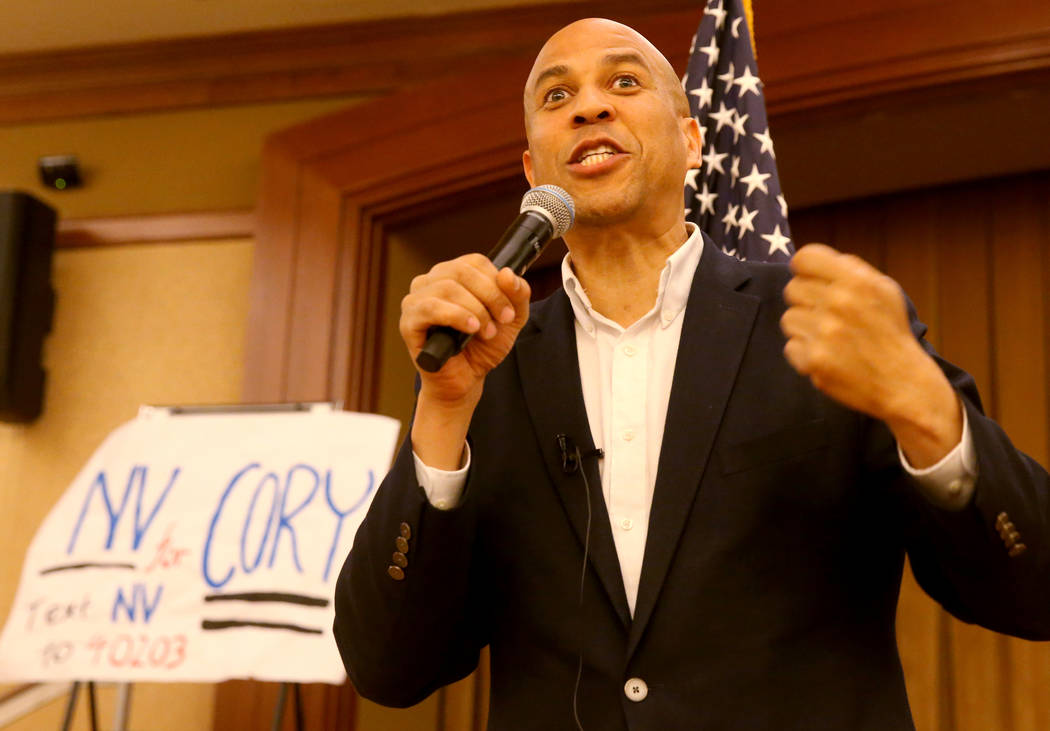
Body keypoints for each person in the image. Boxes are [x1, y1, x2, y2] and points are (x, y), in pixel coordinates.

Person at [333, 18, 1049, 730]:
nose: (588, 106)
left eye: (623, 81)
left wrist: (923, 408)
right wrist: (441, 408)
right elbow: (388, 668)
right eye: (557, 97)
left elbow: (1032, 591)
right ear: (532, 173)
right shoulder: (486, 366)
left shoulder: (820, 325)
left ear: (693, 141)